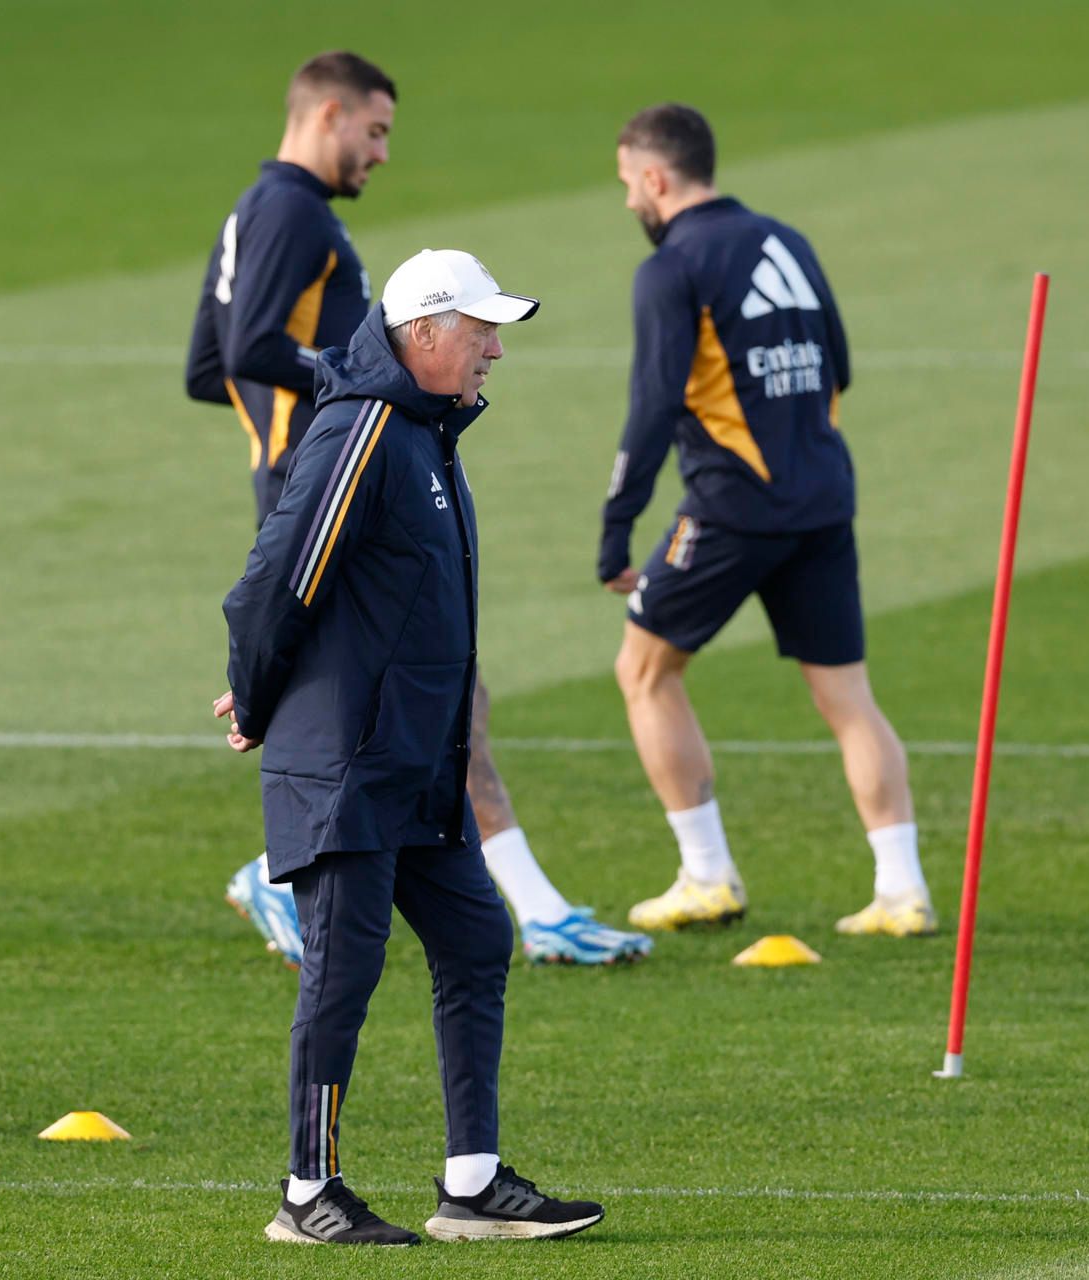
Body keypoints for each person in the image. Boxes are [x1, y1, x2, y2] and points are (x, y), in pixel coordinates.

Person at [188, 50, 649, 969]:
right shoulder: (294, 213)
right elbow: (246, 349)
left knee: (423, 703)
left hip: (306, 487)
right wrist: (353, 392)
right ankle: (519, 908)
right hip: (336, 496)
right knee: (445, 695)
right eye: (375, 130)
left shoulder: (255, 210)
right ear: (326, 115)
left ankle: (511, 899)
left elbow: (208, 367)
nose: (382, 153)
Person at [217, 250, 603, 1244]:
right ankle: (310, 1193)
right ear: (424, 334)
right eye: (481, 332)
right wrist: (257, 702)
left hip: (415, 766)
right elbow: (275, 582)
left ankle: (470, 1183)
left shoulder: (426, 435)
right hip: (347, 762)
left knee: (478, 938)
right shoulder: (366, 429)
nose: (495, 349)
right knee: (341, 969)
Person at [597, 105, 937, 938]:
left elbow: (652, 407)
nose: (628, 204)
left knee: (644, 673)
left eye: (625, 186)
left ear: (654, 177)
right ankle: (904, 893)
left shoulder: (671, 268)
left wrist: (618, 524)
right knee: (847, 697)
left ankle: (707, 876)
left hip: (730, 506)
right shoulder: (786, 239)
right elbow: (840, 367)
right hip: (823, 499)